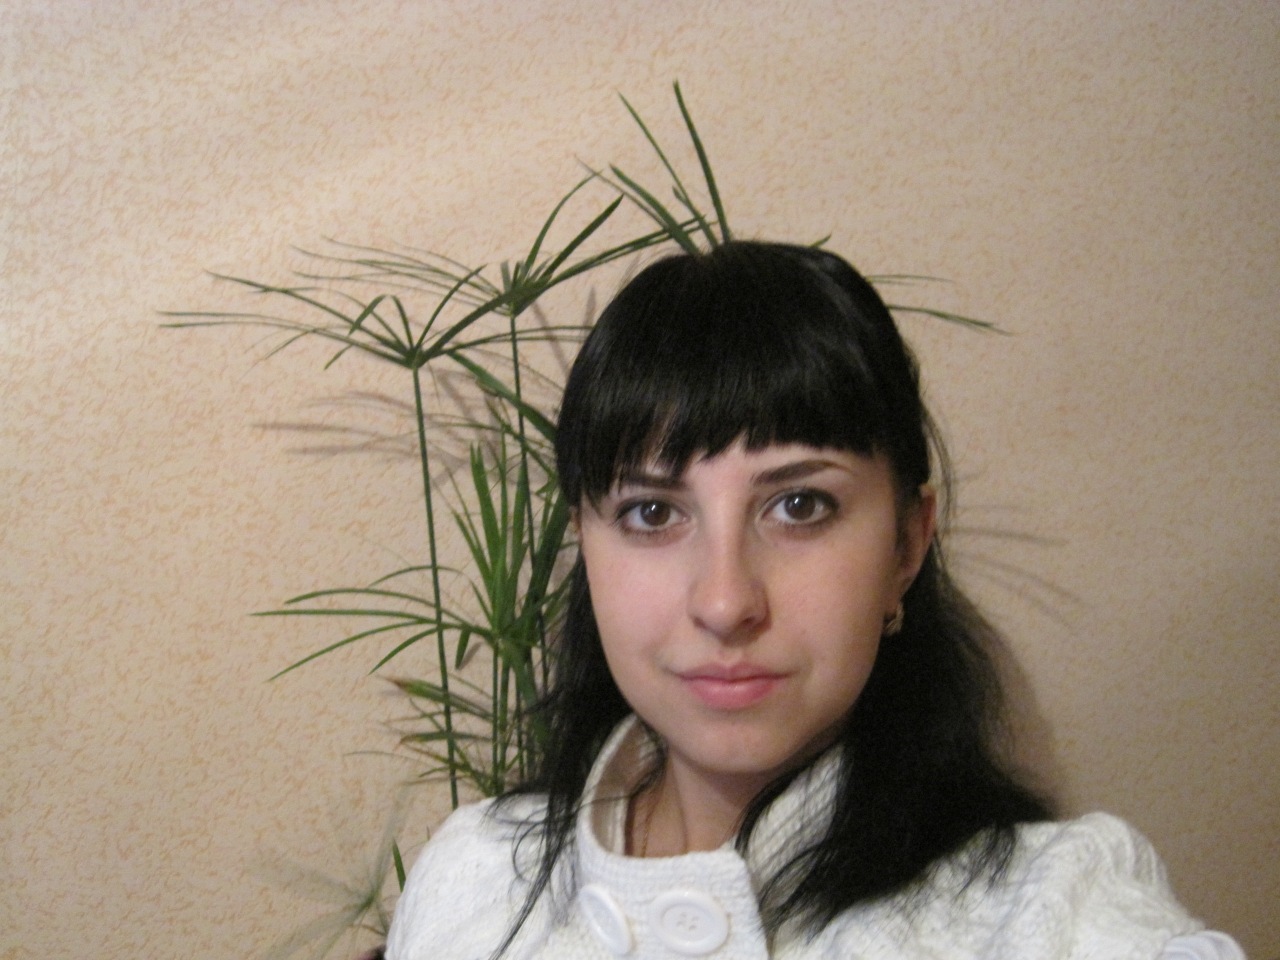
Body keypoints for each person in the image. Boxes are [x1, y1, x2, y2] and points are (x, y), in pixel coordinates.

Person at [384, 242, 1244, 959]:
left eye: (799, 506)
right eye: (652, 513)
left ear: (907, 545)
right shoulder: (476, 878)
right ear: (584, 542)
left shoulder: (1055, 906)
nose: (725, 601)